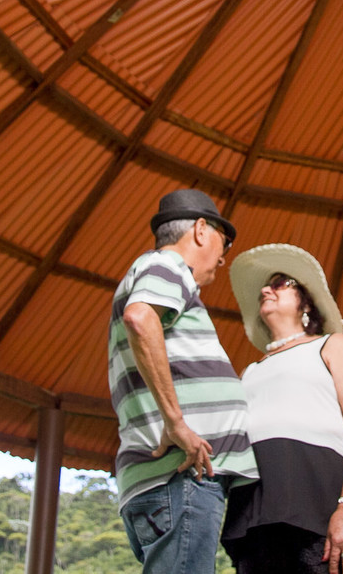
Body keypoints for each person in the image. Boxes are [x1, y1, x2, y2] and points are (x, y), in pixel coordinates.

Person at [107, 189, 260, 574]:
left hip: (169, 483)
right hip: (181, 477)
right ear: (200, 230)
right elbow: (140, 318)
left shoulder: (157, 273)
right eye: (224, 243)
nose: (223, 259)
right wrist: (176, 423)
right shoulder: (167, 264)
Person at [221, 243, 343, 574]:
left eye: (280, 283)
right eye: (265, 287)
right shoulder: (250, 371)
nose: (266, 290)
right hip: (252, 511)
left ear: (306, 303)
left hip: (317, 501)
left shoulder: (333, 345)